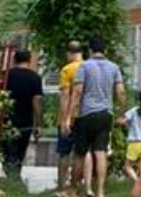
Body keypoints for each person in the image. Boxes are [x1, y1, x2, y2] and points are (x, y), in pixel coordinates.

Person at [63, 39, 126, 197]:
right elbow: (121, 92)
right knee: (101, 152)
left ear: (90, 50)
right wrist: (122, 113)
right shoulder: (114, 67)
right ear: (105, 50)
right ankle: (100, 192)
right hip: (106, 115)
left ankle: (74, 189)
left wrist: (70, 116)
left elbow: (77, 92)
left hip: (87, 115)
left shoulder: (84, 66)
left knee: (80, 153)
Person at [2, 49, 43, 180]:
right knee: (20, 151)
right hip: (26, 121)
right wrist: (38, 124)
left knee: (8, 150)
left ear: (14, 60)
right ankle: (15, 177)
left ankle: (11, 177)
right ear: (30, 60)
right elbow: (36, 102)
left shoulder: (6, 75)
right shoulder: (35, 78)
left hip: (7, 120)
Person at [56, 41, 84, 197]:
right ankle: (75, 187)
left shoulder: (67, 70)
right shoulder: (88, 67)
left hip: (69, 117)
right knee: (81, 153)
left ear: (69, 53)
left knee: (64, 152)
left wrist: (64, 119)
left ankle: (61, 187)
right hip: (84, 116)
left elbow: (66, 96)